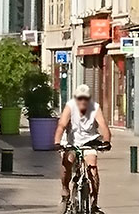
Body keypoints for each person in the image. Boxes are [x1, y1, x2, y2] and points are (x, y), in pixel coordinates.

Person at [53, 84, 111, 214]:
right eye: (80, 98)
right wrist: (57, 142)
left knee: (93, 170)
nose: (82, 101)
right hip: (71, 142)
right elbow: (61, 125)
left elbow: (103, 126)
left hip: (89, 142)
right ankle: (65, 189)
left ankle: (94, 203)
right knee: (67, 162)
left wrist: (106, 141)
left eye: (85, 98)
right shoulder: (70, 107)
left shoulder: (95, 108)